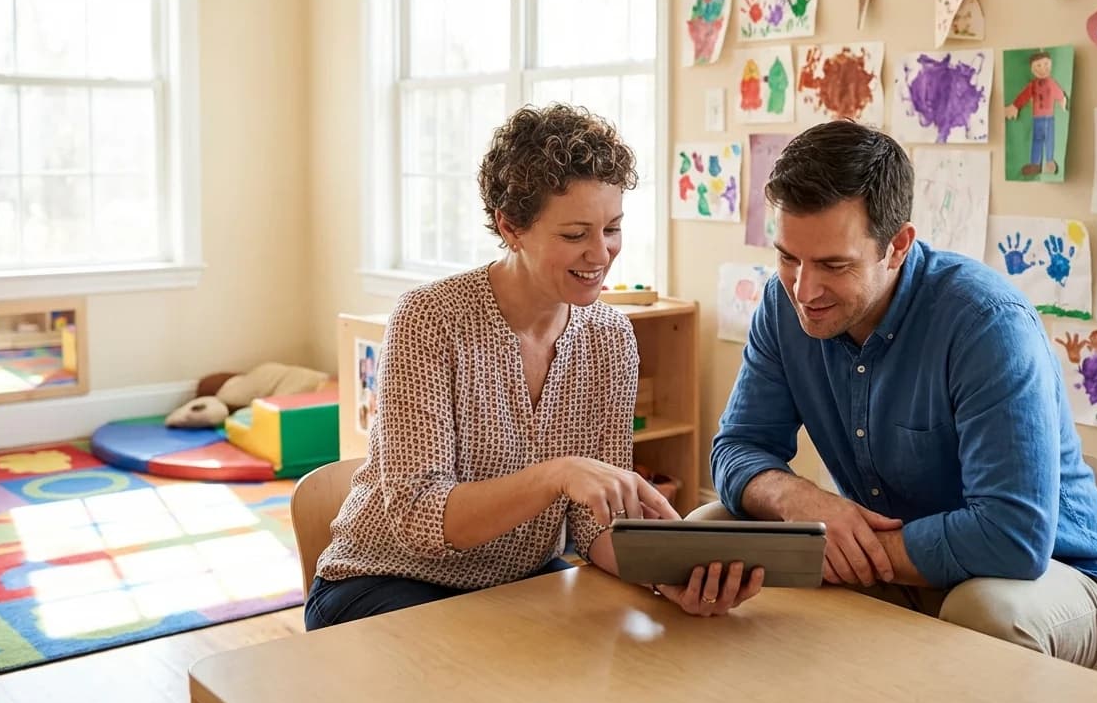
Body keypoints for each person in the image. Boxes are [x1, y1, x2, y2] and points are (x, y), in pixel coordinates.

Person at [306, 105, 762, 630]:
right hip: (385, 581)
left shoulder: (611, 340)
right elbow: (420, 517)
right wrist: (558, 475)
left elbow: (594, 531)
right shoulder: (430, 320)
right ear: (511, 227)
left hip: (520, 585)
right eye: (575, 235)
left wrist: (668, 575)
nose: (601, 253)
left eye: (612, 228)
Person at [708, 120, 1097, 669]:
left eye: (834, 265)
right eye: (789, 257)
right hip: (904, 567)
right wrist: (804, 504)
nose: (803, 290)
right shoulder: (781, 303)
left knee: (984, 610)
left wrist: (845, 550)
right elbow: (737, 447)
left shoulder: (987, 324)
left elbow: (1013, 538)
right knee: (713, 528)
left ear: (898, 246)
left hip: (1053, 577)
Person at [1005, 50, 1068, 176]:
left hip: (1049, 118)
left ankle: (1049, 161)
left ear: (1050, 65)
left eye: (1045, 65)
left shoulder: (1051, 83)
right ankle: (1035, 164)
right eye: (1038, 66)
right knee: (1037, 140)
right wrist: (1015, 106)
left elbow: (1058, 93)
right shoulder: (1033, 85)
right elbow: (1024, 96)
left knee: (1049, 140)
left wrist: (1062, 100)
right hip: (1037, 118)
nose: (1042, 69)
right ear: (1032, 69)